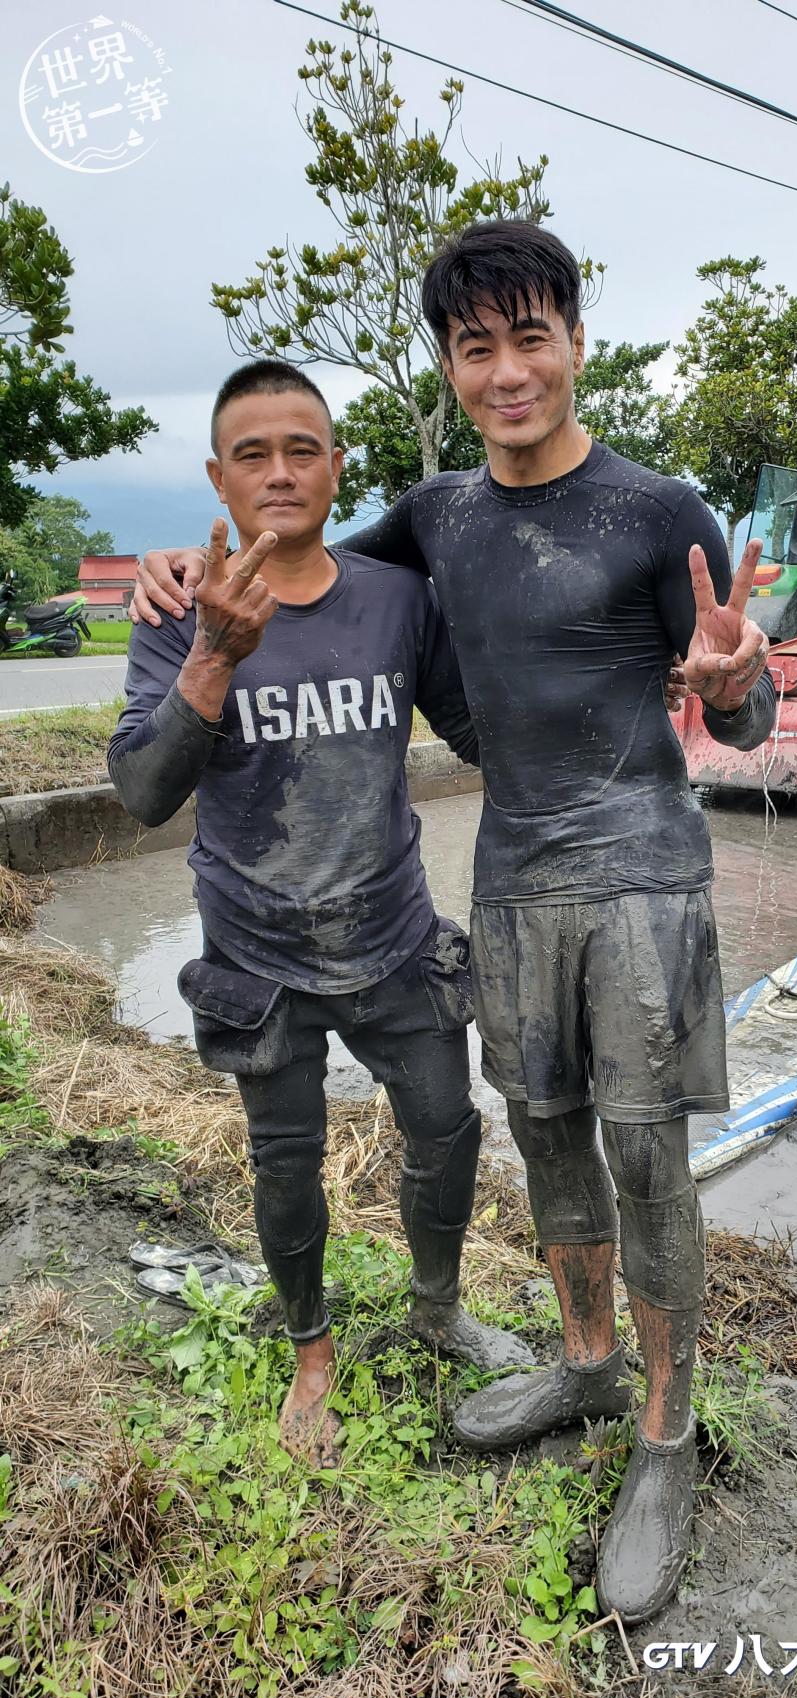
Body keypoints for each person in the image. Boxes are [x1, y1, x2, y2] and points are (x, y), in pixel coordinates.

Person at [129, 221, 774, 1621]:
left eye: (530, 336)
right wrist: (186, 567)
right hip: (512, 881)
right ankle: (588, 1362)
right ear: (449, 363)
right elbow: (294, 552)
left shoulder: (664, 512)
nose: (506, 370)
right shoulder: (436, 517)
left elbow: (747, 701)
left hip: (647, 878)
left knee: (648, 1160)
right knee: (543, 1137)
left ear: (576, 342)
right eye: (475, 346)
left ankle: (661, 1436)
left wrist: (730, 686)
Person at [108, 358, 535, 1469]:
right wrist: (213, 658)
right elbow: (146, 792)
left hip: (394, 940)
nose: (282, 471)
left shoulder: (396, 598)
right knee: (285, 1166)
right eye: (254, 453)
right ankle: (311, 1354)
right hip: (258, 957)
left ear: (339, 468)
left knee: (447, 1133)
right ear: (218, 476)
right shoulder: (175, 613)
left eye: (304, 449)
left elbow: (484, 734)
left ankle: (436, 1309)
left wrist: (627, 681)